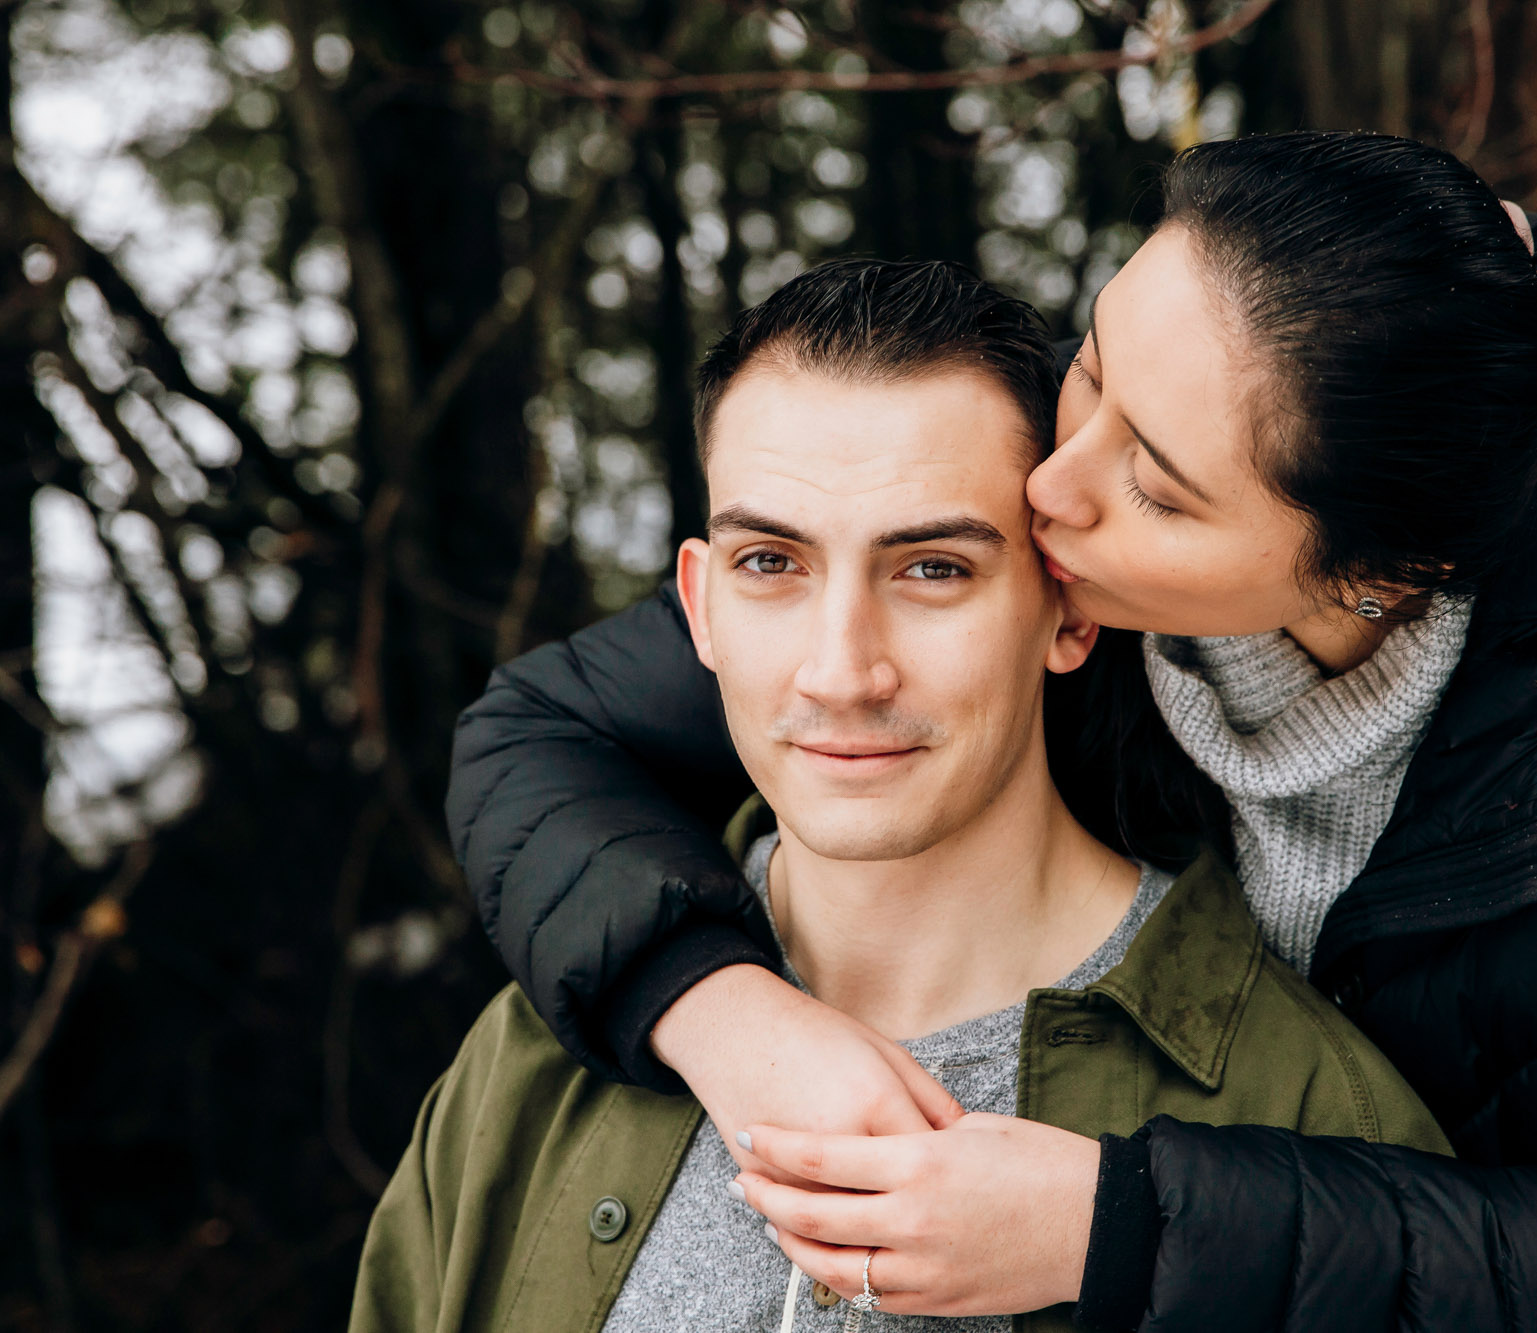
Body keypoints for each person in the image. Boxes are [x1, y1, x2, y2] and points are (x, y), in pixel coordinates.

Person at [448, 132, 1537, 1331]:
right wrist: (731, 1020)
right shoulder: (1086, 466)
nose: (1047, 487)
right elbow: (541, 736)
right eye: (1098, 363)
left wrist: (1116, 1225)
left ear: (1374, 578)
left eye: (1159, 488)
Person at [360, 258, 1449, 1333]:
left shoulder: (1313, 1117)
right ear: (698, 607)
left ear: (1069, 611)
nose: (841, 671)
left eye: (931, 568)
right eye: (770, 564)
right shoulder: (535, 1057)